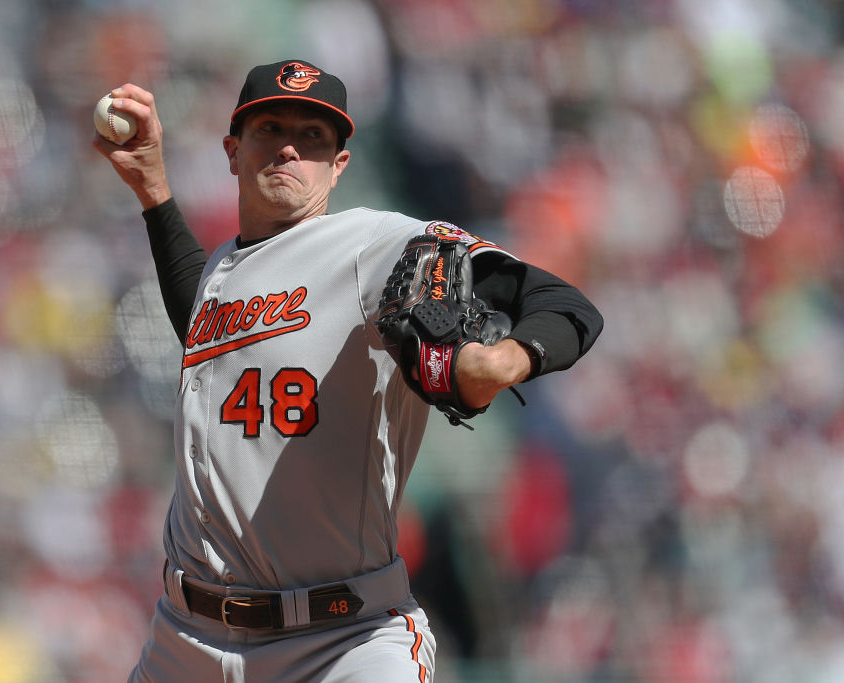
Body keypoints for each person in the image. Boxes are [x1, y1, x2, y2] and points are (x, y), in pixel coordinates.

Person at [94, 59, 603, 682]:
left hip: (341, 642)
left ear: (339, 165)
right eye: (270, 128)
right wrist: (153, 190)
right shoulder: (224, 270)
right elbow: (202, 321)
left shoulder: (376, 245)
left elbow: (566, 305)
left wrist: (501, 360)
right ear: (233, 151)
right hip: (186, 639)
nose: (289, 147)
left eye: (312, 137)